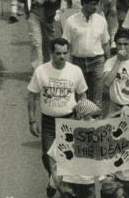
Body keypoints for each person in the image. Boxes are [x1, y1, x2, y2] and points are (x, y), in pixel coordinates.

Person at [27, 37, 87, 185]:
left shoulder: (75, 71)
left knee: (68, 156)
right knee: (48, 156)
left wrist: (82, 115)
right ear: (51, 53)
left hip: (69, 120)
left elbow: (82, 94)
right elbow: (32, 96)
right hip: (48, 121)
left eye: (65, 53)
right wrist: (32, 121)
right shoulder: (41, 71)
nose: (62, 57)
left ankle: (62, 186)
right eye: (58, 53)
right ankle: (53, 178)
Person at [64, 0, 111, 107]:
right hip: (78, 62)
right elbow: (66, 46)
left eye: (98, 4)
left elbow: (105, 43)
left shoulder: (101, 21)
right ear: (83, 3)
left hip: (97, 62)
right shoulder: (71, 21)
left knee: (97, 98)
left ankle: (96, 124)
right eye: (93, 4)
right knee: (79, 98)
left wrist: (109, 62)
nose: (96, 7)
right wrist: (66, 66)